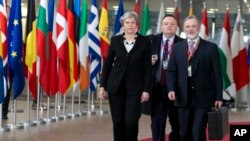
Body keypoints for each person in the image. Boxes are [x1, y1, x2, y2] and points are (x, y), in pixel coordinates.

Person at [167, 15, 223, 141]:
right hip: (182, 97)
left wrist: (219, 96)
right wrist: (171, 89)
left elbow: (218, 75)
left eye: (193, 26)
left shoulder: (211, 47)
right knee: (185, 133)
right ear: (183, 28)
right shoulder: (177, 48)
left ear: (198, 28)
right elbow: (171, 71)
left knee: (197, 132)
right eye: (187, 26)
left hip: (203, 98)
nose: (190, 29)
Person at [99, 11, 152, 141]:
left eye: (133, 22)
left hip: (135, 88)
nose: (130, 25)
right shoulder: (115, 40)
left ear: (137, 25)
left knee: (131, 121)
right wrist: (102, 86)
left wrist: (146, 89)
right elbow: (107, 64)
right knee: (118, 122)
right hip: (116, 87)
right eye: (127, 23)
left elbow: (147, 68)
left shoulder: (145, 41)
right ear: (123, 25)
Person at [149, 14, 183, 141]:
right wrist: (148, 61)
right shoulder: (151, 41)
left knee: (177, 121)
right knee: (157, 121)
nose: (169, 26)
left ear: (177, 27)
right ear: (161, 26)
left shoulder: (183, 43)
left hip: (177, 88)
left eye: (172, 24)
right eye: (166, 23)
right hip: (157, 87)